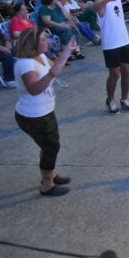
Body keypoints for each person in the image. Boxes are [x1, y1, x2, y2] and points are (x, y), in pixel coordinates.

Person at [14, 28, 75, 196]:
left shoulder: (40, 56)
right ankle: (47, 185)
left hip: (45, 111)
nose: (47, 41)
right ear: (33, 44)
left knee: (49, 146)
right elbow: (34, 89)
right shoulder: (25, 63)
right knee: (51, 147)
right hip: (33, 116)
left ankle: (51, 175)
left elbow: (55, 68)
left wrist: (67, 51)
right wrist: (51, 74)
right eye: (43, 39)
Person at [0, 22, 16, 88]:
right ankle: (9, 80)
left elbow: (2, 36)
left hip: (2, 47)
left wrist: (7, 42)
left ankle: (28, 72)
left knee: (22, 48)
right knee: (7, 55)